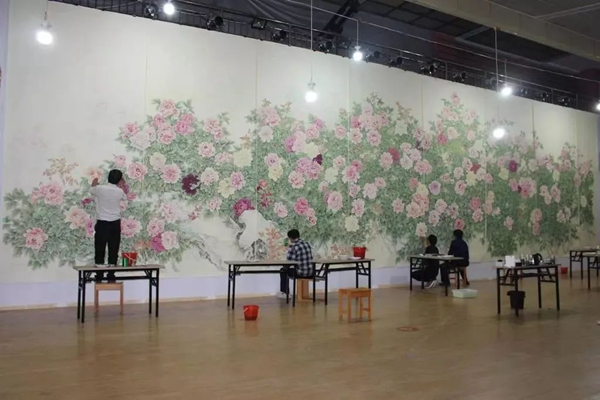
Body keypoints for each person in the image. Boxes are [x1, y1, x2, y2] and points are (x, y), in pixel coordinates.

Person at [90, 169, 127, 282]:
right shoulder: (119, 192)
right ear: (119, 180)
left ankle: (99, 276)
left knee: (100, 249)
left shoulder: (100, 189)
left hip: (102, 223)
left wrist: (94, 183)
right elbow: (125, 197)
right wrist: (121, 186)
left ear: (108, 177)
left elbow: (91, 190)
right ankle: (111, 275)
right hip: (115, 223)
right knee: (113, 249)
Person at [276, 229, 313, 299]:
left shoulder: (293, 246)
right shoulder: (307, 244)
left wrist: (285, 266)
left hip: (300, 273)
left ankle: (285, 293)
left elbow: (289, 261)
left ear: (290, 238)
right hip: (311, 273)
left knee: (283, 270)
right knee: (288, 269)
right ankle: (286, 293)